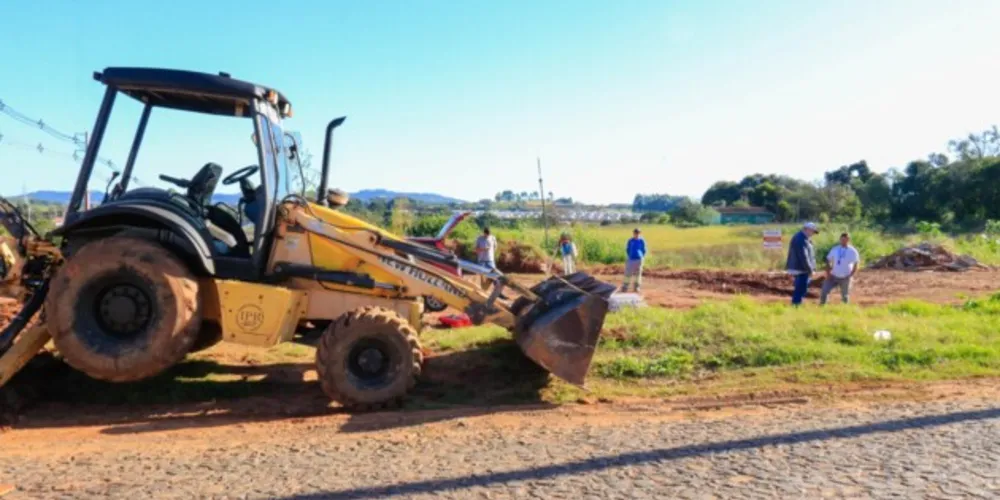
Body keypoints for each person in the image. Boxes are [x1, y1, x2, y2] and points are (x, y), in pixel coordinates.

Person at [820, 232, 860, 305]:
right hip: (833, 275)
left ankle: (844, 310)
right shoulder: (835, 249)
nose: (843, 241)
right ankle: (822, 307)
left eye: (845, 240)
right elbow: (828, 260)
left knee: (845, 296)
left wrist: (851, 275)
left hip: (845, 276)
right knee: (824, 291)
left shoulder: (852, 251)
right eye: (842, 239)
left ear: (848, 240)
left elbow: (856, 264)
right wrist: (828, 273)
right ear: (840, 240)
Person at [786, 222, 819, 306]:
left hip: (801, 268)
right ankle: (796, 304)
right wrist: (810, 269)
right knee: (801, 288)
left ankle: (797, 303)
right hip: (800, 268)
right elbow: (804, 257)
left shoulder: (804, 238)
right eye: (812, 231)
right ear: (807, 229)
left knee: (801, 287)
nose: (813, 234)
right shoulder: (801, 239)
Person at [622, 228, 646, 293]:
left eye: (638, 233)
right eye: (635, 233)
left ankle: (636, 287)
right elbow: (627, 249)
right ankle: (625, 287)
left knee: (637, 274)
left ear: (639, 233)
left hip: (639, 259)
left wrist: (641, 256)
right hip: (631, 259)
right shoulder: (630, 240)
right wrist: (630, 256)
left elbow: (644, 250)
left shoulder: (641, 241)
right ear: (633, 233)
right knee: (628, 273)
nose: (636, 234)